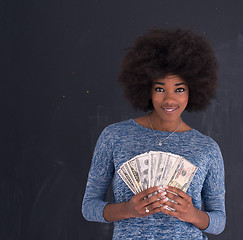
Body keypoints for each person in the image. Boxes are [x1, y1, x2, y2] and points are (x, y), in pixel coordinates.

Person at [82, 28, 226, 239]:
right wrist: (128, 210)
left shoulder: (207, 148)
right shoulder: (114, 137)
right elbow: (89, 207)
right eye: (160, 89)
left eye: (179, 89)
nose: (169, 100)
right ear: (146, 89)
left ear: (193, 90)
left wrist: (192, 214)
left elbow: (219, 222)